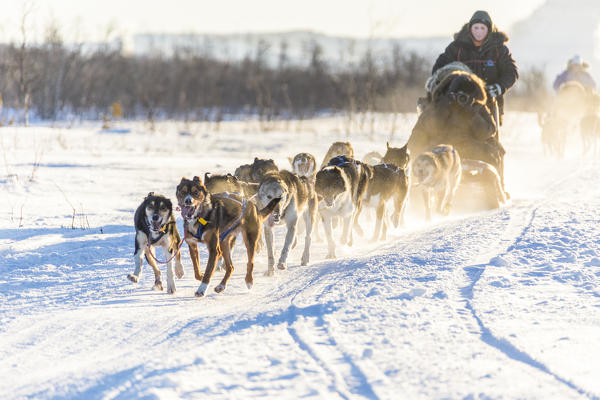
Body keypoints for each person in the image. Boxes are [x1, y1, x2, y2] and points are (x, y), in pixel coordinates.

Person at [432, 10, 518, 127]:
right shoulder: (457, 47)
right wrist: (443, 86)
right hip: (461, 104)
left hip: (491, 104)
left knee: (488, 138)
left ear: (489, 29)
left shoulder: (499, 49)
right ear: (470, 28)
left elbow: (511, 72)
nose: (479, 32)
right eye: (476, 28)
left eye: (482, 28)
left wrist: (499, 87)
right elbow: (439, 69)